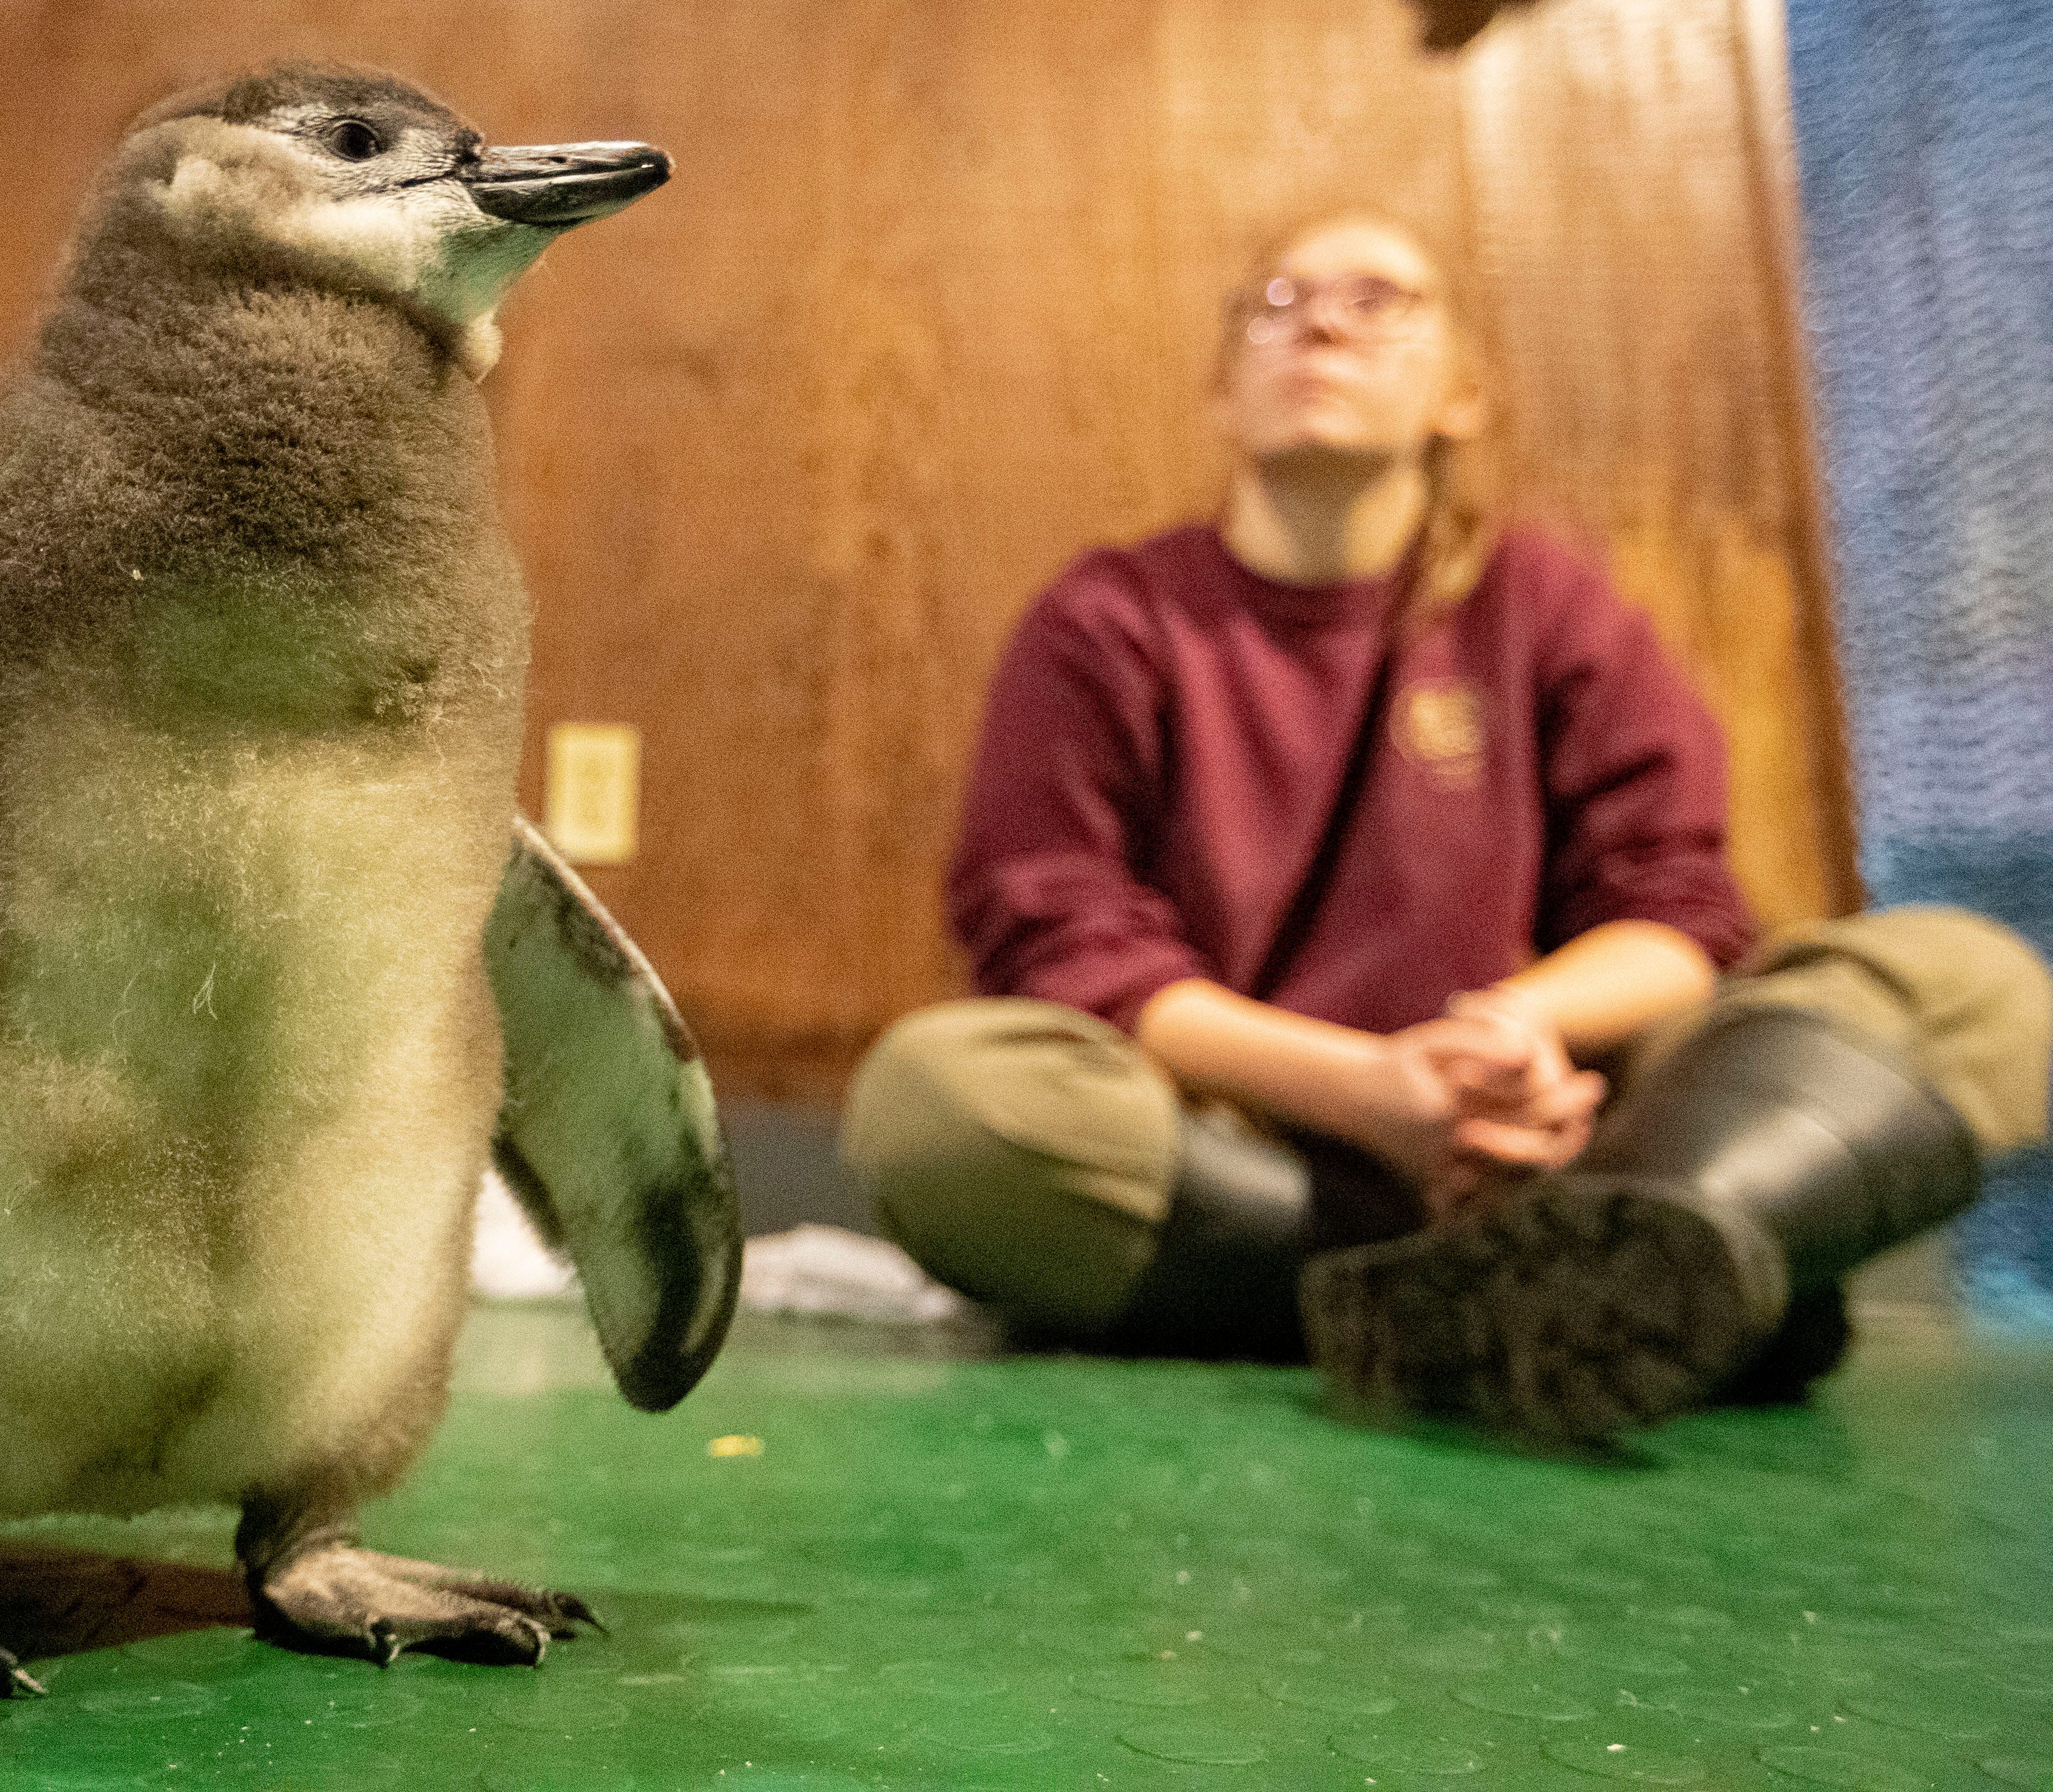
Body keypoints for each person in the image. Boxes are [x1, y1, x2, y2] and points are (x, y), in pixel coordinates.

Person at [839, 213, 2051, 1442]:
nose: (1317, 322)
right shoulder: (1110, 617)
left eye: (1378, 298)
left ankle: (1632, 1233)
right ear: (1222, 392)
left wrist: (1518, 1029)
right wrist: (1369, 1091)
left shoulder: (1548, 606)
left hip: (1558, 1123)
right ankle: (1656, 1264)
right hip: (1262, 1145)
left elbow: (1676, 911)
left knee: (1979, 984)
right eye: (1276, 303)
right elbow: (1057, 935)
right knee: (939, 1101)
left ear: (1459, 392)